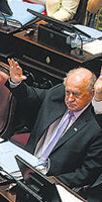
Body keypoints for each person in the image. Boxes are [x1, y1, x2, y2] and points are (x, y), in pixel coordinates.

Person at [7, 61, 102, 190]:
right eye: (68, 92)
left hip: (53, 182)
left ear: (91, 94)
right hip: (25, 165)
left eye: (76, 94)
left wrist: (50, 180)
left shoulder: (96, 124)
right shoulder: (58, 95)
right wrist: (16, 82)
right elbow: (31, 96)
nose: (69, 98)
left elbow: (87, 173)